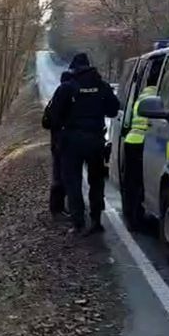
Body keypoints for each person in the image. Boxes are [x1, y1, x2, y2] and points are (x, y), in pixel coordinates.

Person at [45, 53, 121, 235]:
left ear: (73, 69)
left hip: (71, 142)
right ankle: (96, 220)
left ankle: (78, 223)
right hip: (96, 140)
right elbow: (113, 110)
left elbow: (52, 118)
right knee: (97, 182)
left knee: (73, 182)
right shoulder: (102, 86)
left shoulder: (67, 88)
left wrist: (62, 131)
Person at [121, 83, 158, 227]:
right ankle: (137, 216)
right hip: (144, 142)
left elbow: (128, 121)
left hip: (131, 140)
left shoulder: (140, 97)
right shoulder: (159, 97)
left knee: (130, 182)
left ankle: (130, 214)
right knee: (141, 182)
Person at [42, 70, 74, 217]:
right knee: (63, 175)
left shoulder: (56, 96)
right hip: (63, 141)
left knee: (58, 174)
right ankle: (58, 207)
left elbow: (48, 121)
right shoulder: (68, 95)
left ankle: (56, 207)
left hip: (56, 140)